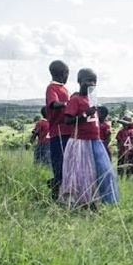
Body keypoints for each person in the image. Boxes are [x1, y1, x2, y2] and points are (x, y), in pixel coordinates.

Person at [59, 68, 119, 208]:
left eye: (94, 81)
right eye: (88, 80)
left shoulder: (91, 99)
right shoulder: (75, 100)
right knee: (83, 175)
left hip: (96, 141)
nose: (92, 83)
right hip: (80, 143)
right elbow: (68, 120)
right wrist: (85, 114)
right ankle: (83, 203)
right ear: (79, 81)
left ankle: (106, 200)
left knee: (106, 171)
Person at [45, 60, 72, 197]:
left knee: (68, 165)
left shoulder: (64, 88)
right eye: (68, 73)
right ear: (64, 74)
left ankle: (64, 192)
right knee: (59, 165)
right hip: (58, 133)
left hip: (69, 132)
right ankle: (55, 194)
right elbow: (54, 104)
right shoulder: (52, 88)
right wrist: (69, 103)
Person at [115, 112, 133, 178]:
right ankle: (120, 177)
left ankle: (128, 178)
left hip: (130, 152)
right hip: (122, 151)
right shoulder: (120, 131)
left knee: (129, 165)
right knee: (121, 164)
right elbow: (118, 141)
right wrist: (118, 149)